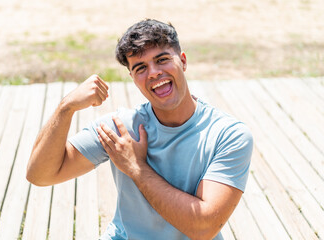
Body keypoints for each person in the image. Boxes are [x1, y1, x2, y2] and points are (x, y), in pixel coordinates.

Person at [27, 19, 253, 240]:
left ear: (183, 61)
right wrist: (65, 108)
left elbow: (203, 229)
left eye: (162, 60)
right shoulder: (121, 128)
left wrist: (136, 168)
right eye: (141, 68)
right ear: (133, 78)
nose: (153, 73)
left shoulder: (229, 135)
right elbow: (40, 175)